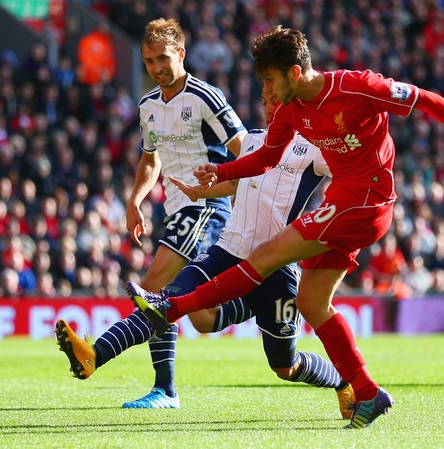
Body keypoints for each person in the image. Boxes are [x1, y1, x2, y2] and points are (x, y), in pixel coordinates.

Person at [128, 25, 444, 428]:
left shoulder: (358, 87)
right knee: (311, 303)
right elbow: (265, 159)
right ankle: (368, 392)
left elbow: (427, 100)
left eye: (269, 79)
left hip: (368, 200)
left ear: (294, 73)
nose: (265, 89)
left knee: (267, 255)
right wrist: (221, 171)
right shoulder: (292, 111)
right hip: (342, 203)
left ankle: (171, 307)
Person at [56, 93, 357, 418]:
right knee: (165, 301)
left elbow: (349, 167)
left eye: (276, 99)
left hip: (275, 268)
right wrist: (200, 190)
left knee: (285, 365)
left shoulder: (312, 147)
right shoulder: (254, 140)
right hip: (227, 252)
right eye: (266, 99)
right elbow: (235, 184)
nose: (269, 106)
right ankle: (94, 354)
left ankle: (344, 382)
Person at [56, 18, 248, 409]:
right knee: (201, 316)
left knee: (154, 289)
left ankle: (104, 358)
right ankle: (263, 300)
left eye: (163, 58)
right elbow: (150, 159)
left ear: (180, 54)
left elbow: (245, 150)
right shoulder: (147, 106)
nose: (157, 68)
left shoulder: (206, 97)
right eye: (148, 61)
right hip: (175, 211)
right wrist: (134, 200)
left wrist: (224, 186)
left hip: (207, 208)